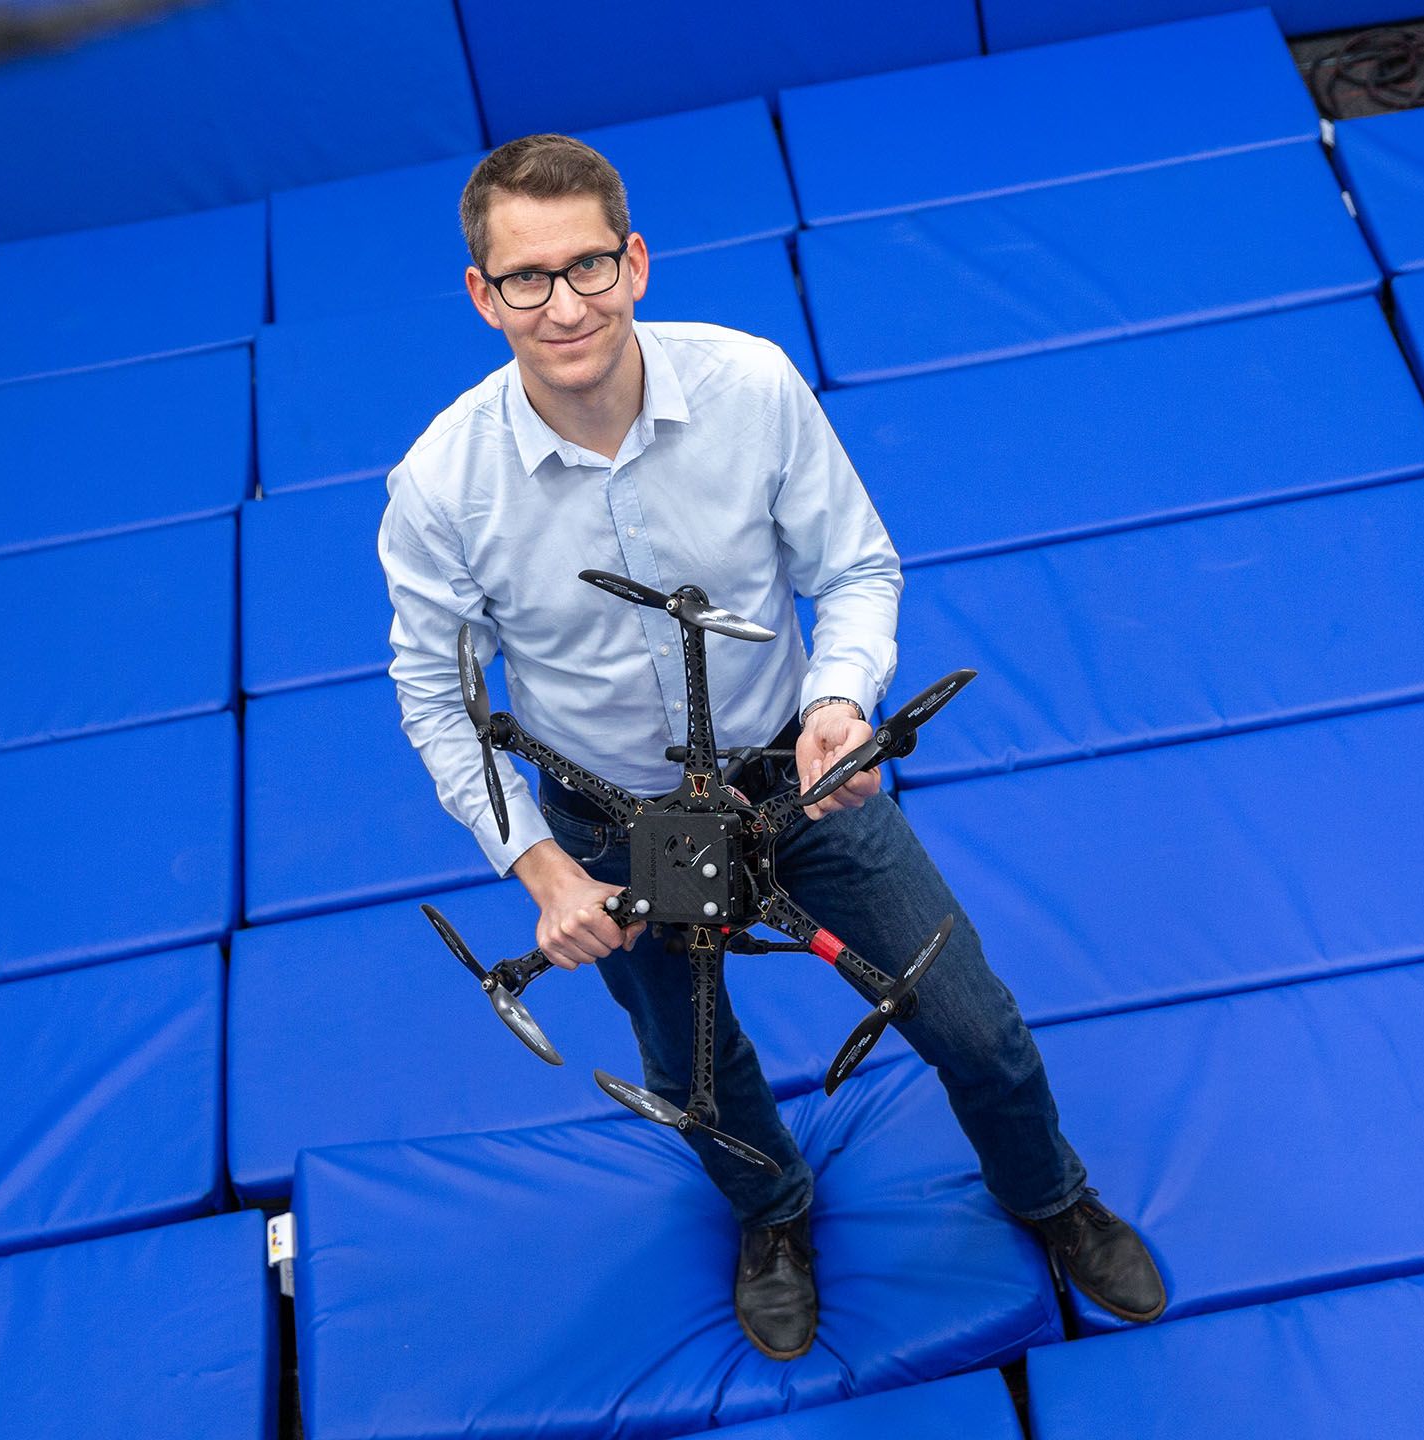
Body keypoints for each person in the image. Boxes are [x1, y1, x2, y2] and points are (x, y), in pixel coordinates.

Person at [378, 134, 1165, 1360]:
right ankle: (774, 1213)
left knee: (975, 1025)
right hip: (610, 829)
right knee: (693, 1070)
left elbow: (853, 568)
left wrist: (841, 705)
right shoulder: (438, 486)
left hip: (798, 784)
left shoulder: (751, 387)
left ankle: (1047, 1193)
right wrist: (539, 868)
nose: (565, 303)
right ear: (484, 297)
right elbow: (434, 697)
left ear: (635, 262)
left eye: (588, 265)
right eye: (526, 278)